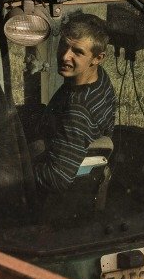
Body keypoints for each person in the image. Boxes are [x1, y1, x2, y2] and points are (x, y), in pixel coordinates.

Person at [29, 12, 117, 192]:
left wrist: (19, 169)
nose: (64, 56)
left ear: (98, 58)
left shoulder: (77, 110)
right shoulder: (98, 79)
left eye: (77, 52)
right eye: (63, 45)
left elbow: (57, 179)